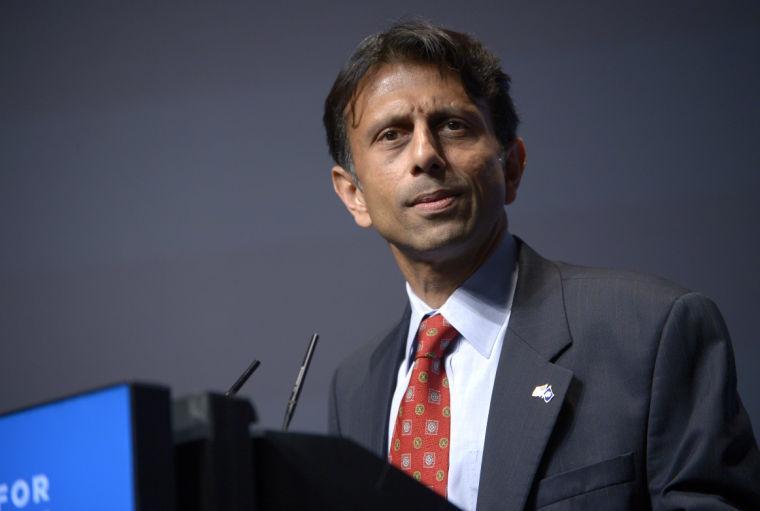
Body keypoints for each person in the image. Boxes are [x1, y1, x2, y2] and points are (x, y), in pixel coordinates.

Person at [323, 20, 760, 510]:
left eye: (453, 125)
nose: (425, 154)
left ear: (511, 167)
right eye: (392, 134)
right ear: (354, 194)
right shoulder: (353, 388)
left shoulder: (654, 332)